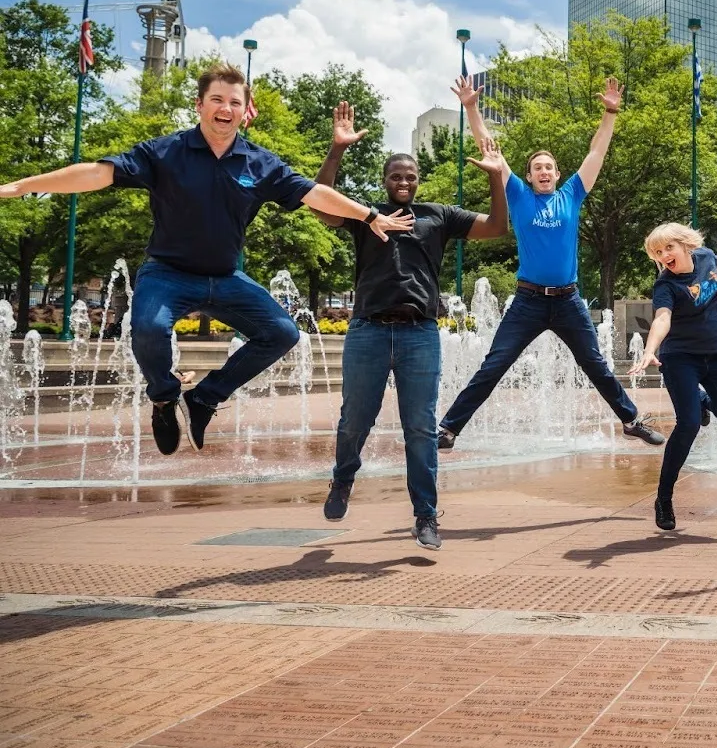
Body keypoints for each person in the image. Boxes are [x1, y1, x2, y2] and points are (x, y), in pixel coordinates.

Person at [0, 64, 413, 456]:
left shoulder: (259, 162)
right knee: (148, 328)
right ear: (200, 105)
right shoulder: (166, 152)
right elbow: (96, 173)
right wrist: (23, 186)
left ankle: (203, 398)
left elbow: (312, 194)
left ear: (244, 112)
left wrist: (369, 215)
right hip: (169, 273)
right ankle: (164, 398)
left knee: (283, 333)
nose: (226, 109)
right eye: (217, 99)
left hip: (226, 277)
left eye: (235, 102)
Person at [314, 100, 509, 551]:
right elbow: (319, 203)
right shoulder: (365, 215)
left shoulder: (438, 216)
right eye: (395, 176)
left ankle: (425, 515)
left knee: (420, 428)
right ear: (385, 182)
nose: (403, 181)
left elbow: (498, 226)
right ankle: (343, 479)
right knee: (353, 422)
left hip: (420, 334)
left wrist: (496, 175)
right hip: (368, 331)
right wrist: (336, 149)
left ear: (418, 181)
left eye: (410, 176)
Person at [435, 74, 664, 449]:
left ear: (558, 175)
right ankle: (447, 429)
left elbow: (596, 154)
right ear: (528, 176)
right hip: (528, 303)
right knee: (493, 366)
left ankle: (631, 420)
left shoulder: (572, 194)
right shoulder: (519, 195)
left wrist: (609, 113)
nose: (543, 171)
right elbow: (490, 150)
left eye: (549, 167)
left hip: (568, 301)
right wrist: (472, 108)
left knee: (595, 366)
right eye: (537, 167)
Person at [630, 223, 717, 532]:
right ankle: (664, 497)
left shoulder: (707, 256)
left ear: (686, 246)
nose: (664, 255)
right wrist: (649, 349)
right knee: (689, 424)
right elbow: (662, 318)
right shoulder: (665, 286)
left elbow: (712, 277)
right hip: (680, 359)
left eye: (669, 247)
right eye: (657, 251)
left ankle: (703, 399)